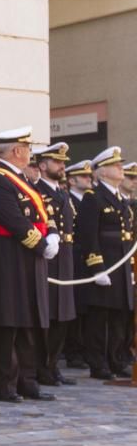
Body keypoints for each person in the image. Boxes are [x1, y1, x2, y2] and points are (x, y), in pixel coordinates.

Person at [0, 127, 58, 403]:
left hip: (27, 259)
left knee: (28, 322)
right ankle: (5, 383)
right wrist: (41, 244)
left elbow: (43, 211)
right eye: (27, 148)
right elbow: (14, 221)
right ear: (16, 151)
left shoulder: (20, 179)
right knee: (7, 322)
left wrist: (53, 233)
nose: (30, 153)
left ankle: (27, 379)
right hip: (7, 260)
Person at [77, 146, 134, 380]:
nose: (121, 167)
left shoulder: (121, 199)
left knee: (120, 315)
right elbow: (88, 235)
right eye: (115, 164)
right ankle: (98, 363)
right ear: (100, 172)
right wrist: (97, 266)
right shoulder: (94, 197)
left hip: (122, 263)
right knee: (100, 318)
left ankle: (116, 359)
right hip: (105, 264)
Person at [33, 143, 77, 387]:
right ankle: (41, 367)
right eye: (57, 162)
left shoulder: (63, 193)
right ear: (42, 165)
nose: (62, 166)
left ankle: (52, 366)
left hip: (66, 257)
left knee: (63, 316)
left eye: (63, 162)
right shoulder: (36, 191)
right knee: (47, 315)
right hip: (48, 258)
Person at [64, 159, 94, 370]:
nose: (88, 179)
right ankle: (73, 350)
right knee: (74, 305)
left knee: (84, 306)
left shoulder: (88, 201)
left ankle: (82, 348)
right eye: (84, 176)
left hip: (85, 258)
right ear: (72, 180)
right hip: (71, 258)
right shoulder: (68, 200)